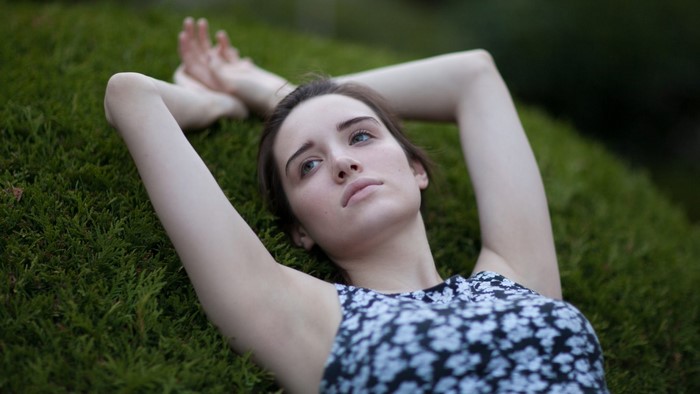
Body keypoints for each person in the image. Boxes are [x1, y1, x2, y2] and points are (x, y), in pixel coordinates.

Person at [104, 17, 608, 393]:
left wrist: (265, 90)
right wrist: (220, 105)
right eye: (307, 166)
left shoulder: (517, 277)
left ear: (417, 168)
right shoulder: (307, 318)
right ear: (300, 228)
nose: (342, 163)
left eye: (362, 136)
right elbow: (131, 95)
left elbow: (473, 75)